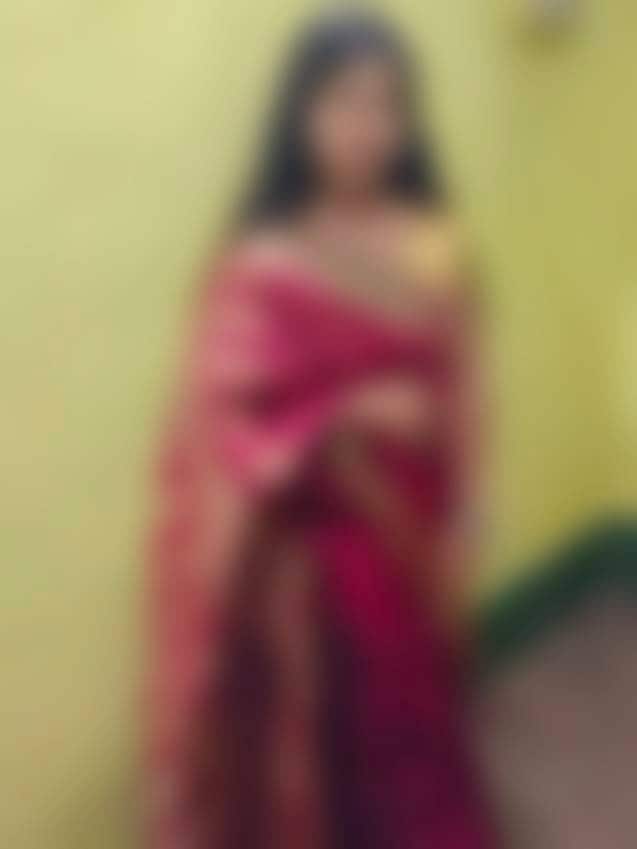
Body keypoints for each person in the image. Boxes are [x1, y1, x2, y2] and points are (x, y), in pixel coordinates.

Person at [149, 11, 493, 849]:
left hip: (412, 543)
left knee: (418, 739)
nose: (366, 128)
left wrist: (471, 507)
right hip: (304, 566)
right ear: (300, 114)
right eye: (344, 103)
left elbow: (465, 380)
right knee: (320, 766)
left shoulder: (432, 244)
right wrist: (351, 410)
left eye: (387, 105)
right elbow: (222, 425)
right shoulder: (261, 264)